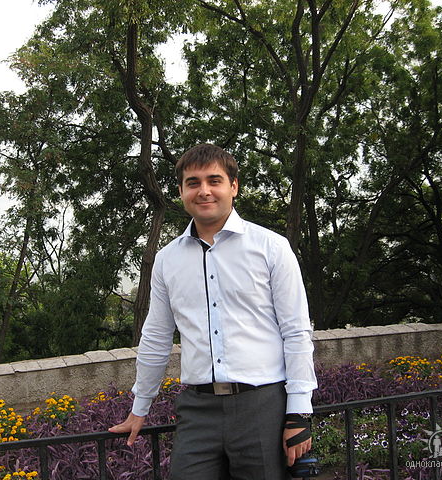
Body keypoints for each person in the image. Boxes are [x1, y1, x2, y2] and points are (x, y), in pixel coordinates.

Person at [109, 144, 318, 479]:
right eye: (193, 183)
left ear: (233, 187)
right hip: (197, 410)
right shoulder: (167, 260)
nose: (203, 190)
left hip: (262, 406)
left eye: (214, 180)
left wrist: (299, 412)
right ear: (181, 191)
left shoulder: (271, 248)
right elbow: (157, 337)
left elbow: (296, 332)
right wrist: (140, 407)